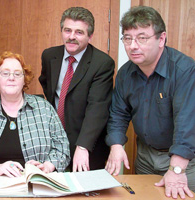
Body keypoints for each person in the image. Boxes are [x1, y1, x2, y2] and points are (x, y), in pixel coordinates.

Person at [105, 6, 195, 199]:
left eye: (142, 38)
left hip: (184, 160)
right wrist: (116, 145)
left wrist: (177, 169)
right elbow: (118, 114)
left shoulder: (184, 70)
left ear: (161, 39)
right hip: (145, 156)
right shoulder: (125, 73)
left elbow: (187, 122)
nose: (133, 46)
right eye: (127, 38)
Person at [0, 51, 70, 176]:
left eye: (18, 74)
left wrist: (47, 166)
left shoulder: (45, 109)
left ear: (24, 80)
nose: (11, 77)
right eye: (5, 73)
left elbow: (62, 148)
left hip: (37, 183)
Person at [39, 7, 115, 172]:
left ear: (90, 36)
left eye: (79, 32)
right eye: (67, 30)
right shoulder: (49, 55)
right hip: (54, 143)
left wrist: (83, 146)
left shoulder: (102, 63)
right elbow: (47, 86)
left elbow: (98, 108)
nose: (71, 37)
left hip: (87, 144)